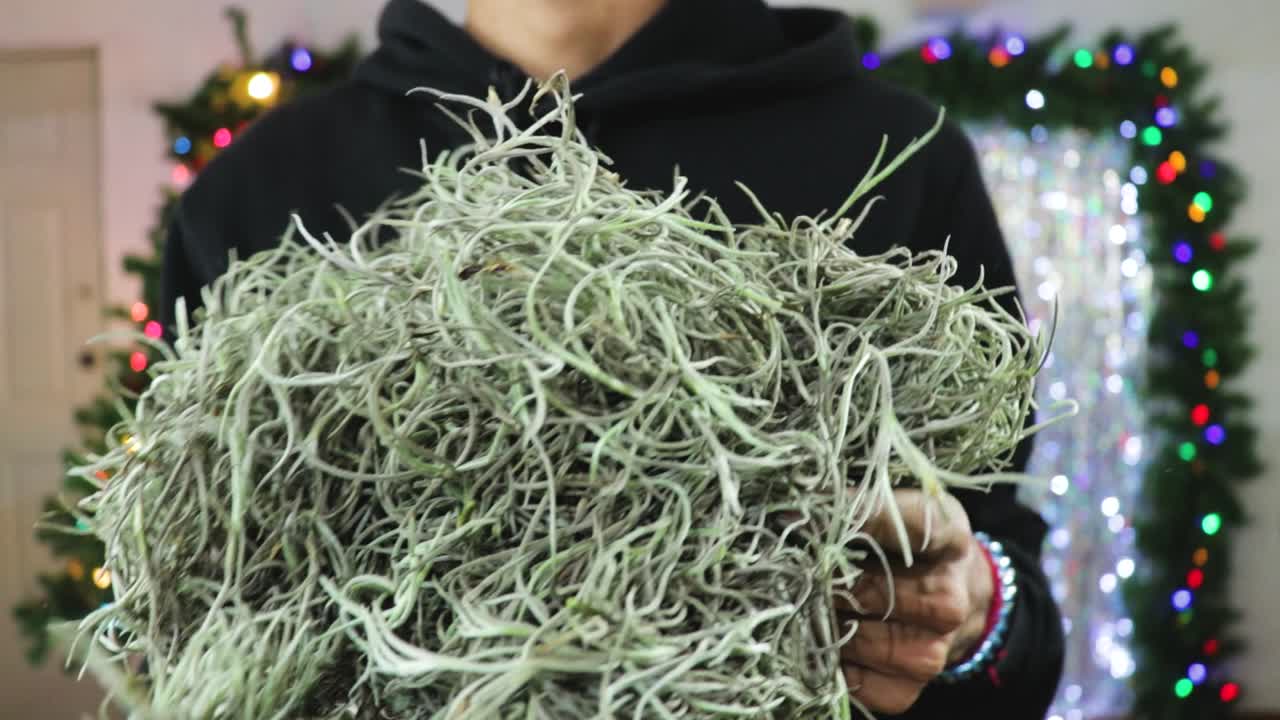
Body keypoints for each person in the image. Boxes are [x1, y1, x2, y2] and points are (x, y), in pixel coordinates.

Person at [160, 0, 1064, 716]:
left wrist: (972, 611)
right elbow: (193, 616)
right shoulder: (258, 197)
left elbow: (1013, 616)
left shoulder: (902, 157)